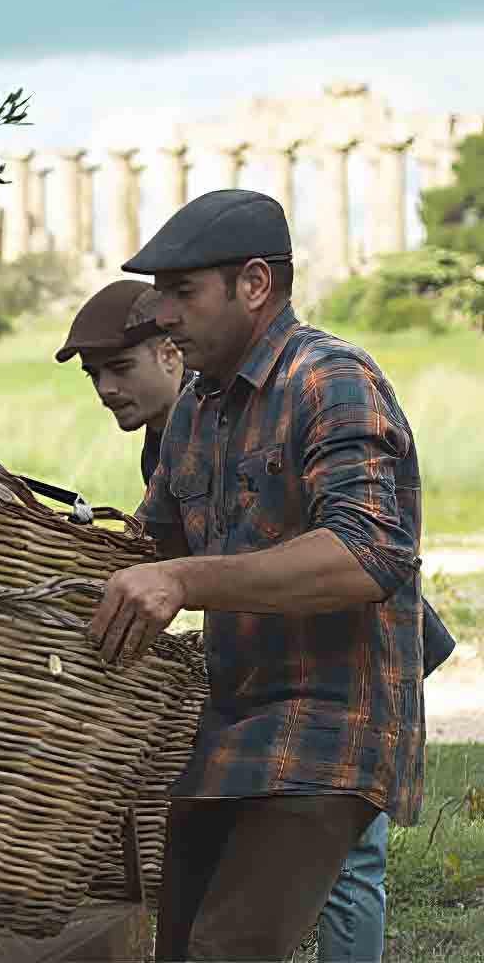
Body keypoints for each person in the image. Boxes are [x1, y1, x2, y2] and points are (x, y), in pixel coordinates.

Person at [82, 189, 438, 962]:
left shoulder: (331, 379)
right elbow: (146, 551)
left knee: (226, 950)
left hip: (333, 725)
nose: (162, 315)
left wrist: (186, 580)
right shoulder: (196, 410)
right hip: (230, 724)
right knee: (179, 946)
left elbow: (368, 555)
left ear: (254, 285)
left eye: (182, 292)